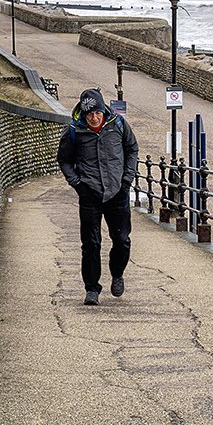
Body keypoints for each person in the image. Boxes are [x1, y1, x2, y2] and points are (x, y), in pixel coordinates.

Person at [57, 87, 139, 306]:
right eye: (90, 114)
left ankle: (117, 274)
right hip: (90, 193)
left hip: (117, 192)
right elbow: (64, 159)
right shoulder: (75, 130)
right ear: (84, 114)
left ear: (104, 110)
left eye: (97, 113)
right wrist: (77, 184)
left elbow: (132, 149)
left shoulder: (118, 125)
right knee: (91, 243)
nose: (94, 117)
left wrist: (126, 180)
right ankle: (92, 288)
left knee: (122, 240)